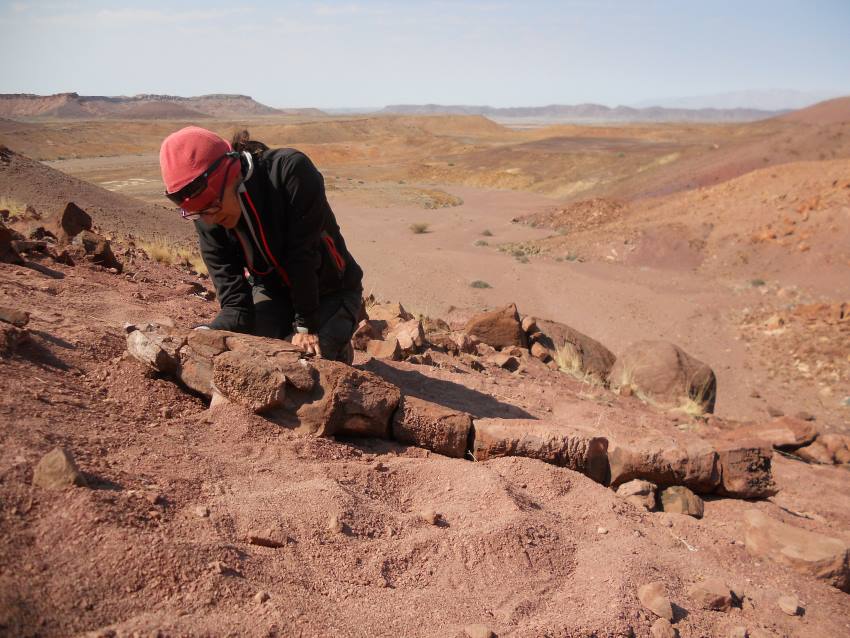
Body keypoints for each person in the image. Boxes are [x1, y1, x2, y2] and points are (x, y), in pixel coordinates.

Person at [159, 126, 363, 362]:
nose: (210, 219)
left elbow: (302, 256)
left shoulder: (289, 171)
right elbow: (236, 305)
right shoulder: (206, 215)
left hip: (331, 291)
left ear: (233, 174)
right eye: (197, 213)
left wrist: (306, 326)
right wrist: (206, 335)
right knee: (246, 356)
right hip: (272, 292)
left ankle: (339, 345)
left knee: (303, 363)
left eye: (212, 206)